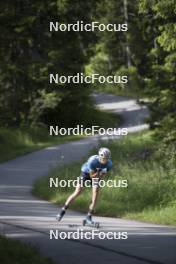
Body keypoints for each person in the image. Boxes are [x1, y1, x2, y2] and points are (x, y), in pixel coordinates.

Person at [56, 147, 112, 224]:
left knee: (95, 194)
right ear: (100, 156)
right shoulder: (92, 161)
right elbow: (91, 176)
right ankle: (62, 211)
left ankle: (89, 216)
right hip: (86, 173)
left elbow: (102, 175)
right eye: (103, 159)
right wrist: (98, 173)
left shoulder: (109, 164)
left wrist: (99, 177)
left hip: (97, 175)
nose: (105, 161)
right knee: (78, 191)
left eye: (106, 159)